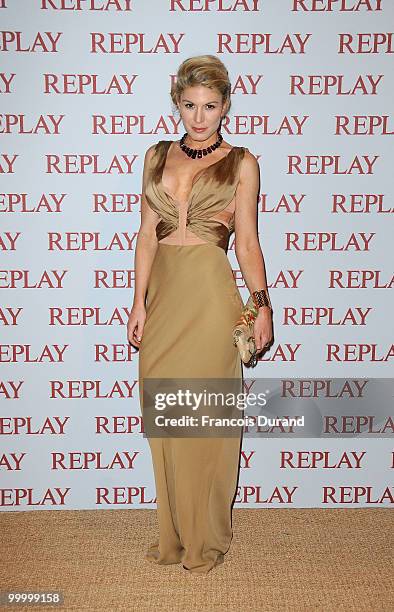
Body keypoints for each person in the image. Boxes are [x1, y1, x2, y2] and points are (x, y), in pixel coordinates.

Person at [127, 55, 273, 575]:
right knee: (167, 418)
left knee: (206, 419)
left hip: (212, 298)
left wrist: (261, 306)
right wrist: (138, 301)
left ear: (226, 106)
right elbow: (146, 236)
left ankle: (206, 538)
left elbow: (249, 244)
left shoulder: (243, 162)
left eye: (210, 106)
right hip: (165, 297)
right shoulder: (154, 156)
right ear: (177, 102)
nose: (199, 116)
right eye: (189, 105)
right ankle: (174, 532)